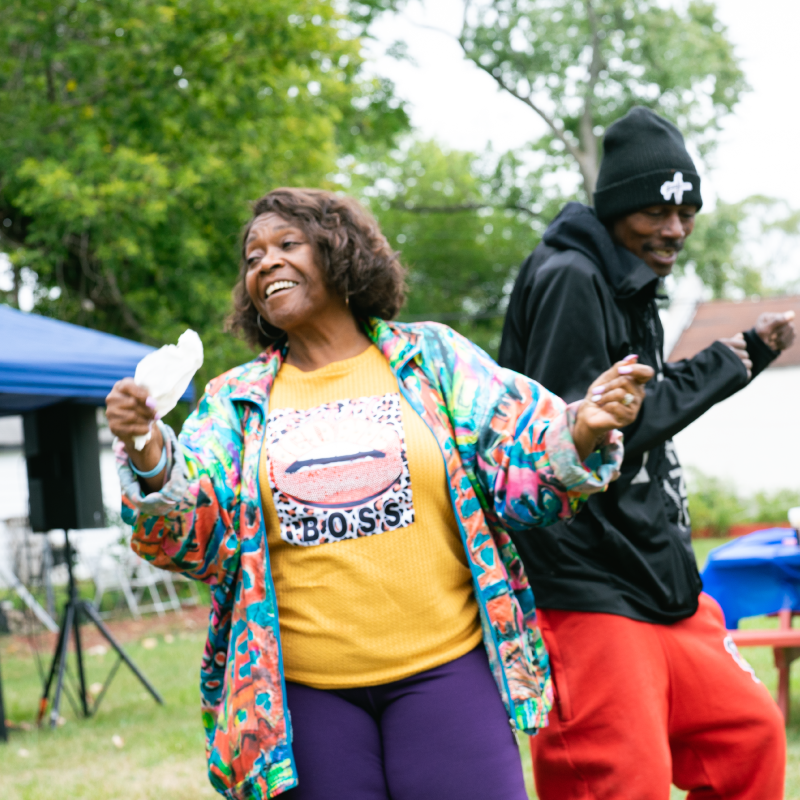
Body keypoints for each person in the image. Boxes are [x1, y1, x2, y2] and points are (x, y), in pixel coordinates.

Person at [105, 188, 652, 800]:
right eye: (253, 257)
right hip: (305, 697)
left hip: (446, 673)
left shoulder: (432, 360)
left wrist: (581, 428)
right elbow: (199, 540)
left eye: (288, 245)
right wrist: (150, 449)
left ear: (341, 254)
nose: (265, 264)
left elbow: (519, 461)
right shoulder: (235, 399)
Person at [499, 107, 797, 800]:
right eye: (658, 211)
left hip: (656, 575)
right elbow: (590, 437)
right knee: (620, 781)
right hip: (587, 580)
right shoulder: (571, 277)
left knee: (747, 736)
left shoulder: (631, 284)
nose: (675, 228)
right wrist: (736, 359)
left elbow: (644, 413)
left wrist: (741, 355)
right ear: (617, 207)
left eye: (687, 211)